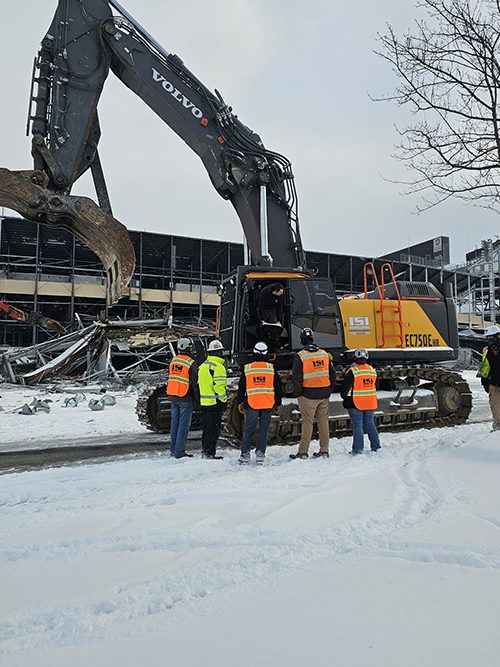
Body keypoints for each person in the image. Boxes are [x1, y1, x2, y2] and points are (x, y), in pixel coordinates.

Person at [289, 327, 336, 459]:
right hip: (324, 394)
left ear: (302, 340)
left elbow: (296, 378)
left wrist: (298, 394)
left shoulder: (301, 356)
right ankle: (324, 450)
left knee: (307, 423)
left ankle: (303, 452)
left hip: (308, 395)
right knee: (323, 422)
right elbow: (332, 375)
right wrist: (328, 389)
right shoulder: (324, 354)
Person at [237, 341, 282, 465]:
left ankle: (245, 455)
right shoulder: (271, 368)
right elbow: (278, 387)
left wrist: (240, 402)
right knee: (263, 431)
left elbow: (242, 388)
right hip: (267, 404)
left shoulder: (248, 368)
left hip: (252, 404)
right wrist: (278, 403)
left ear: (254, 352)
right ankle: (260, 455)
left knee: (248, 430)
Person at [340, 348, 380, 455]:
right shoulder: (372, 370)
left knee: (358, 426)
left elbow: (344, 389)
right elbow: (376, 386)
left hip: (355, 403)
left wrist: (344, 397)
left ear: (354, 358)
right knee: (370, 425)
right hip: (370, 403)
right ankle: (376, 447)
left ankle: (358, 450)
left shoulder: (353, 371)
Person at [166, 337, 199, 459]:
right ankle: (179, 451)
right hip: (185, 397)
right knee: (183, 425)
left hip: (173, 396)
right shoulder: (190, 362)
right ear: (188, 348)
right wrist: (197, 399)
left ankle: (173, 450)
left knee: (175, 424)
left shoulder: (174, 361)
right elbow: (194, 382)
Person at [198, 339, 228, 458]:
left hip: (204, 403)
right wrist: (224, 401)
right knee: (213, 430)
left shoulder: (203, 366)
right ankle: (210, 453)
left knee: (206, 429)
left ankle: (205, 451)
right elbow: (219, 387)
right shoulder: (218, 367)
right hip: (214, 404)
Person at [478, 324, 500, 431]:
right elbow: (484, 367)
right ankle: (498, 426)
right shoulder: (486, 351)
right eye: (488, 338)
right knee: (495, 406)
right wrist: (485, 382)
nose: (490, 340)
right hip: (493, 383)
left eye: (491, 338)